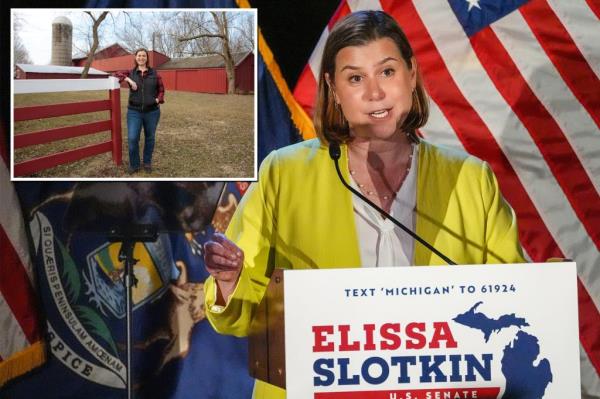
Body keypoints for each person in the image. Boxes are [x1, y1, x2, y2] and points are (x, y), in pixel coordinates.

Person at [203, 10, 525, 398]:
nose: (375, 93)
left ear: (411, 74)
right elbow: (243, 317)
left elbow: (515, 304)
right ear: (333, 89)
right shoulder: (282, 175)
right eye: (356, 78)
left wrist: (545, 292)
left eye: (387, 72)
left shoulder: (472, 180)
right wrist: (230, 281)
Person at [114, 48, 165, 174]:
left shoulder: (154, 73)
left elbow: (161, 90)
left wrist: (158, 100)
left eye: (143, 56)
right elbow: (115, 74)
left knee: (150, 138)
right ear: (135, 58)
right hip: (134, 112)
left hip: (152, 112)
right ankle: (135, 164)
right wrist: (129, 80)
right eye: (139, 56)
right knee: (132, 138)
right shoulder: (130, 72)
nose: (141, 58)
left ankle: (147, 162)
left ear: (147, 58)